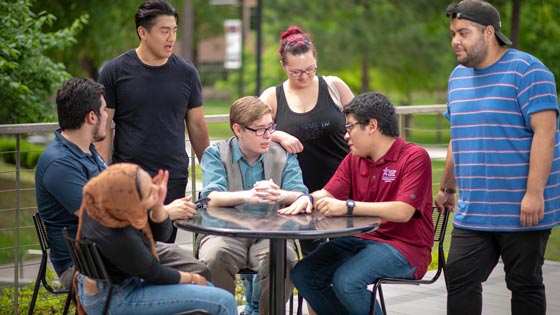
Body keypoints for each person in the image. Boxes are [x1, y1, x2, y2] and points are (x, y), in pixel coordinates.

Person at [437, 1, 560, 314]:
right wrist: (448, 188)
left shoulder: (529, 71)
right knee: (460, 278)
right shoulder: (457, 78)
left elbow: (545, 135)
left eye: (463, 33)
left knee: (524, 284)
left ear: (488, 33)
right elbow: (458, 136)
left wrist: (534, 194)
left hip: (522, 209)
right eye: (453, 34)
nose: (455, 41)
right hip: (474, 209)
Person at [35, 77, 210, 290]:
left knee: (200, 269)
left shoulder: (89, 151)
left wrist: (153, 202)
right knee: (183, 281)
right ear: (91, 117)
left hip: (121, 247)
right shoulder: (59, 164)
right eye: (104, 110)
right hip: (87, 265)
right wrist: (164, 210)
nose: (108, 115)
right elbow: (102, 217)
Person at [280, 92, 434, 315]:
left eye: (350, 127)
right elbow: (328, 192)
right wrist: (308, 198)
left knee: (347, 282)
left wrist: (349, 206)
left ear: (372, 126)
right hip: (361, 240)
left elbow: (403, 211)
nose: (346, 136)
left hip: (405, 247)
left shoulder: (414, 157)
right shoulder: (354, 158)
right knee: (303, 273)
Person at [259, 25, 354, 315]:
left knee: (346, 261)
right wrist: (278, 135)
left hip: (342, 189)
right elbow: (249, 129)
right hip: (299, 196)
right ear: (283, 66)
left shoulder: (334, 86)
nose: (304, 77)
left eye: (310, 69)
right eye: (296, 72)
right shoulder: (273, 97)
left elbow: (363, 123)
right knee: (313, 265)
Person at [96, 0, 210, 242]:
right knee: (131, 247)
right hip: (129, 178)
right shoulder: (115, 71)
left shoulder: (187, 73)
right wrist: (103, 176)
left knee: (163, 248)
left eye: (174, 30)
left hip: (173, 178)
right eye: (164, 30)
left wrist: (211, 171)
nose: (171, 37)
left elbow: (198, 127)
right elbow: (103, 128)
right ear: (143, 32)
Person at [73, 163, 237, 315]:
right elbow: (154, 272)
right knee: (224, 301)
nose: (154, 188)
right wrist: (193, 278)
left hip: (109, 288)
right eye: (148, 191)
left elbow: (160, 236)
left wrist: (157, 204)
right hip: (115, 298)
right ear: (130, 197)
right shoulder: (118, 235)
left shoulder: (104, 208)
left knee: (209, 289)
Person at [198, 96, 308, 315]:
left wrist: (280, 194)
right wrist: (248, 196)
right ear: (238, 130)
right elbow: (211, 197)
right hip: (225, 232)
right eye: (259, 130)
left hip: (272, 233)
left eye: (270, 127)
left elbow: (301, 194)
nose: (268, 135)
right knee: (214, 256)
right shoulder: (215, 154)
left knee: (282, 259)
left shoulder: (283, 154)